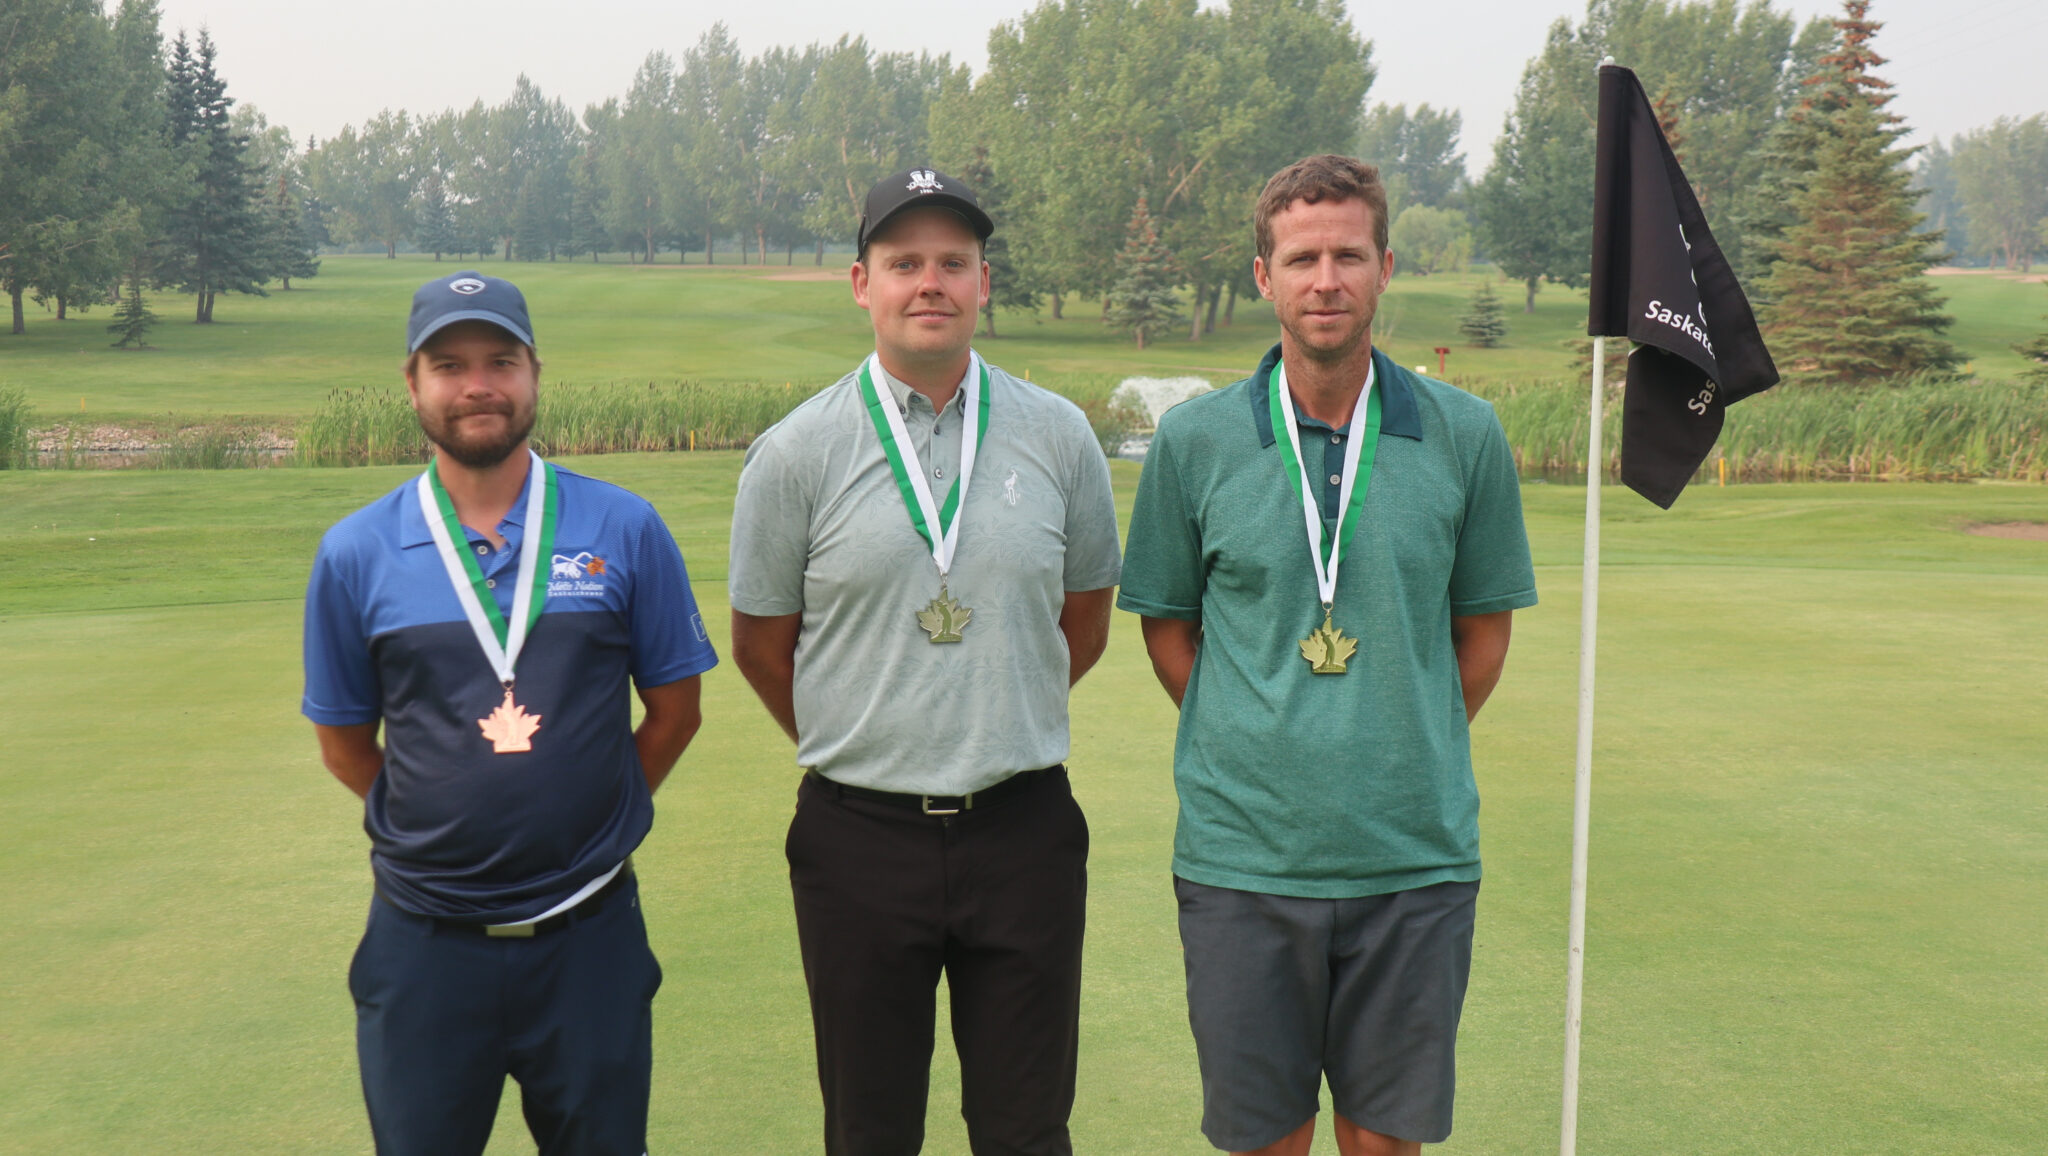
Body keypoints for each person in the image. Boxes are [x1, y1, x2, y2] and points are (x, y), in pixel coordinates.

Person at [1117, 154, 1538, 1156]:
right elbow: (1167, 627)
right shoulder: (1195, 440)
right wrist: (1250, 726)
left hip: (1411, 856)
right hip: (1241, 862)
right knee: (1263, 1141)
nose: (1325, 280)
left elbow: (1480, 633)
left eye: (1347, 255)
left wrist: (1403, 722)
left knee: (1383, 1140)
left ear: (1384, 266)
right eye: (1300, 258)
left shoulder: (1462, 434)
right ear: (1263, 275)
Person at [727, 167, 1122, 1156]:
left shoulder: (1059, 436)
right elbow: (761, 644)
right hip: (857, 836)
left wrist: (989, 706)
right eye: (904, 262)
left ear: (983, 281)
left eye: (951, 261)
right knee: (869, 1132)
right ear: (861, 282)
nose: (929, 282)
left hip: (1022, 830)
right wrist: (867, 722)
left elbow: (1081, 620)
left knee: (1026, 1132)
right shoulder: (795, 453)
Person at [301, 270, 718, 1156]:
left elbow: (675, 712)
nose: (478, 384)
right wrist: (438, 820)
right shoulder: (355, 553)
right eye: (449, 365)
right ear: (412, 385)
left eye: (501, 360)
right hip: (422, 945)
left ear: (535, 374)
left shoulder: (624, 526)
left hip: (589, 937)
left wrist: (591, 812)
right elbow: (343, 742)